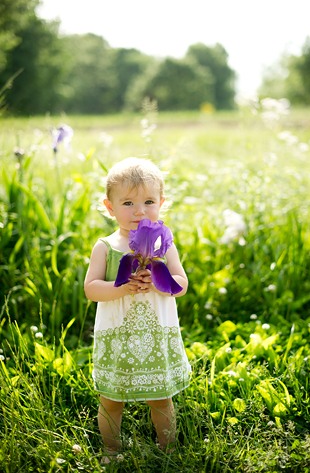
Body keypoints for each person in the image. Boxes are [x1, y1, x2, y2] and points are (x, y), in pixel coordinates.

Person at [84, 157, 191, 463]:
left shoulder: (164, 243)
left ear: (161, 202)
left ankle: (168, 449)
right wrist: (121, 287)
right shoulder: (105, 246)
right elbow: (91, 289)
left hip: (154, 336)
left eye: (148, 201)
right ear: (110, 207)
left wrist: (158, 282)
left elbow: (181, 284)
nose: (140, 211)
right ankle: (111, 449)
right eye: (128, 202)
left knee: (160, 398)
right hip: (118, 336)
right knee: (111, 400)